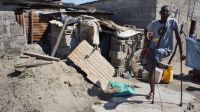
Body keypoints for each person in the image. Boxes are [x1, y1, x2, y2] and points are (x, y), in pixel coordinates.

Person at [142, 5, 184, 100]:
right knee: (150, 72)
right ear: (160, 13)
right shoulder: (154, 24)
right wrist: (147, 40)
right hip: (153, 49)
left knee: (157, 54)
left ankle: (156, 63)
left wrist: (181, 53)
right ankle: (152, 91)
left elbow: (178, 37)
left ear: (169, 14)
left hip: (165, 50)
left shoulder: (172, 22)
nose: (165, 13)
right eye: (164, 11)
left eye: (167, 12)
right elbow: (146, 30)